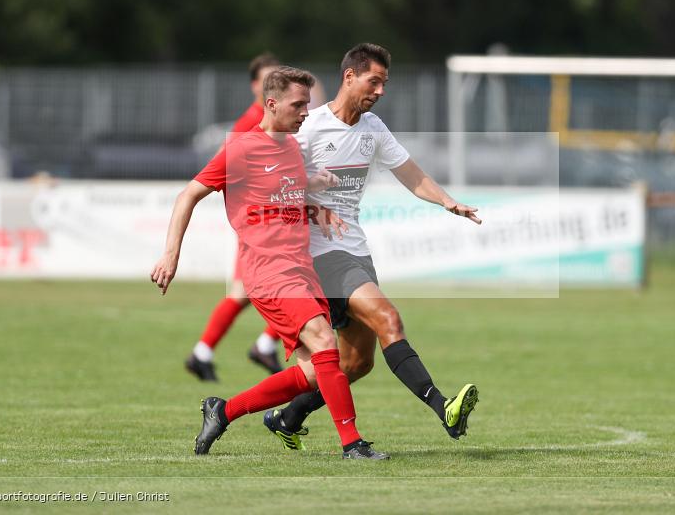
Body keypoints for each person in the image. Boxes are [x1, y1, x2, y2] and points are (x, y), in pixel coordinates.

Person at [151, 66, 387, 459]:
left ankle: (223, 411)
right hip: (268, 272)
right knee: (325, 341)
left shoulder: (291, 147)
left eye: (307, 104)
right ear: (272, 104)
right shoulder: (242, 148)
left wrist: (316, 197)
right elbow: (188, 195)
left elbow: (285, 188)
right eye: (298, 105)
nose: (305, 112)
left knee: (314, 372)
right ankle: (352, 443)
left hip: (302, 270)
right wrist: (170, 254)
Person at [263, 43, 481, 450]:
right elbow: (276, 183)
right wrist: (311, 204)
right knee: (388, 319)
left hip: (355, 253)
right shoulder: (309, 127)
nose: (380, 91)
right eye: (374, 81)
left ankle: (286, 417)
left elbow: (411, 174)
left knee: (356, 363)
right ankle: (444, 409)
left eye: (384, 83)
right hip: (322, 256)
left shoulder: (373, 128)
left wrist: (447, 201)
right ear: (350, 77)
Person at [185, 53, 285, 381]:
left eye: (278, 79)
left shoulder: (275, 118)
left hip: (272, 219)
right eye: (267, 79)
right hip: (259, 222)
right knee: (299, 284)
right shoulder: (251, 122)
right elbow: (220, 166)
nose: (274, 85)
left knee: (247, 292)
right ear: (255, 86)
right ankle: (262, 346)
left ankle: (205, 352)